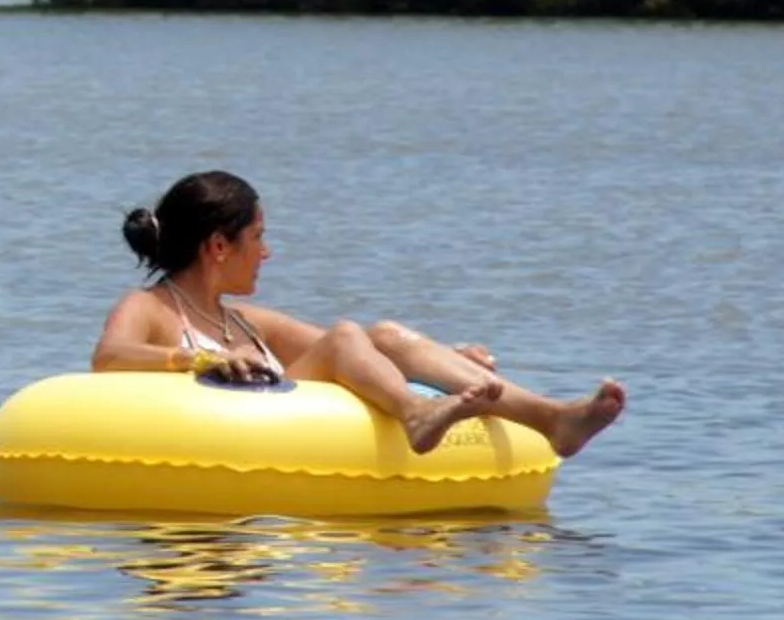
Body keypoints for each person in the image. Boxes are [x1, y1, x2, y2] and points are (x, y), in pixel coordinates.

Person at [91, 169, 626, 458]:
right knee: (346, 333)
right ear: (219, 247)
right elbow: (108, 357)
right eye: (258, 237)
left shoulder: (246, 322)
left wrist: (441, 360)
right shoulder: (151, 307)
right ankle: (415, 414)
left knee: (384, 335)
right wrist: (194, 362)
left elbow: (364, 352)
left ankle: (554, 419)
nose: (268, 251)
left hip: (287, 428)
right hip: (232, 437)